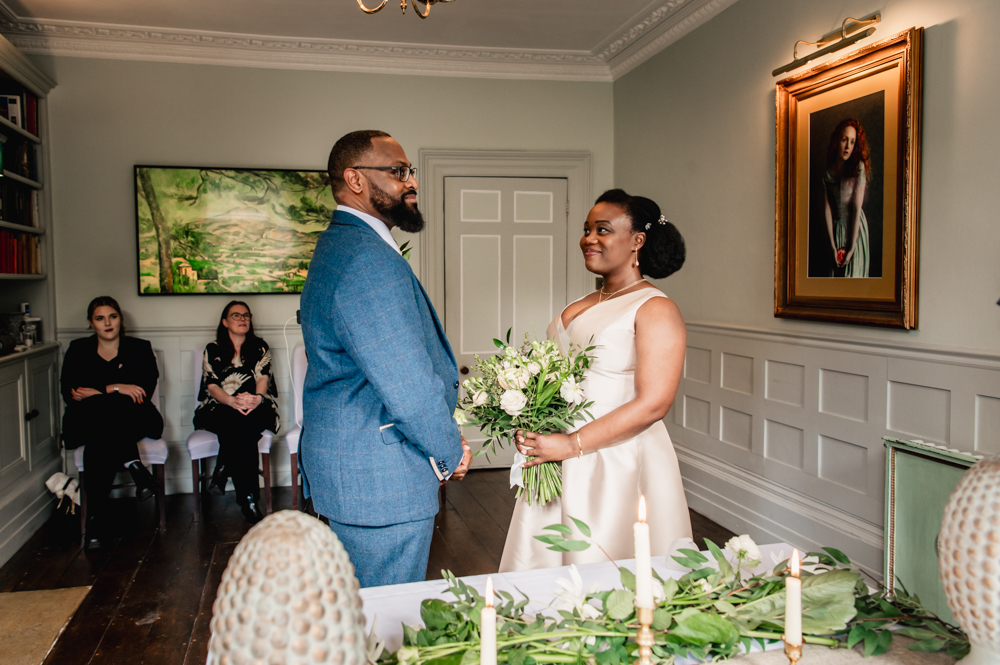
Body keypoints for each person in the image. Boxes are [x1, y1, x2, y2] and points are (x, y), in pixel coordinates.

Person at [300, 129, 472, 587]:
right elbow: (407, 386)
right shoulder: (365, 259)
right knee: (384, 626)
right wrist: (449, 450)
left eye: (410, 171)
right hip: (379, 476)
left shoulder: (343, 244)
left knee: (361, 613)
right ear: (355, 180)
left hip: (356, 466)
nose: (411, 181)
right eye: (397, 172)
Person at [500, 189, 692, 571]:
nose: (589, 238)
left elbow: (654, 402)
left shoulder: (655, 308)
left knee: (607, 564)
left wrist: (572, 444)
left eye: (602, 229)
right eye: (587, 229)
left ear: (637, 240)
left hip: (617, 457)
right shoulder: (583, 304)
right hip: (559, 453)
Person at [60, 296, 163, 550]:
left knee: (102, 416)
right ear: (90, 322)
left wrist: (98, 391)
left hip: (135, 417)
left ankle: (94, 522)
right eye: (99, 318)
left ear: (120, 319)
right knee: (103, 422)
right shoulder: (78, 349)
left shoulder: (139, 348)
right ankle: (134, 465)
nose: (107, 323)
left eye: (112, 317)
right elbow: (71, 392)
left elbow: (142, 392)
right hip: (91, 422)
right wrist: (118, 386)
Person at [194, 301, 279, 526]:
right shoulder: (212, 348)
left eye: (246, 315)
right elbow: (211, 385)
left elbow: (263, 377)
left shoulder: (260, 346)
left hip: (256, 404)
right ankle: (249, 500)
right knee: (241, 425)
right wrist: (231, 401)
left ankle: (223, 466)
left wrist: (257, 399)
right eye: (235, 315)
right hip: (220, 406)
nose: (242, 319)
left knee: (245, 421)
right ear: (225, 322)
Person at [822, 118, 871, 277]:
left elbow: (857, 210)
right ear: (837, 141)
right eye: (845, 140)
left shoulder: (858, 168)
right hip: (835, 230)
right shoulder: (827, 174)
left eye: (852, 142)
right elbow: (827, 210)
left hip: (855, 229)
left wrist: (851, 248)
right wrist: (831, 245)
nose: (848, 146)